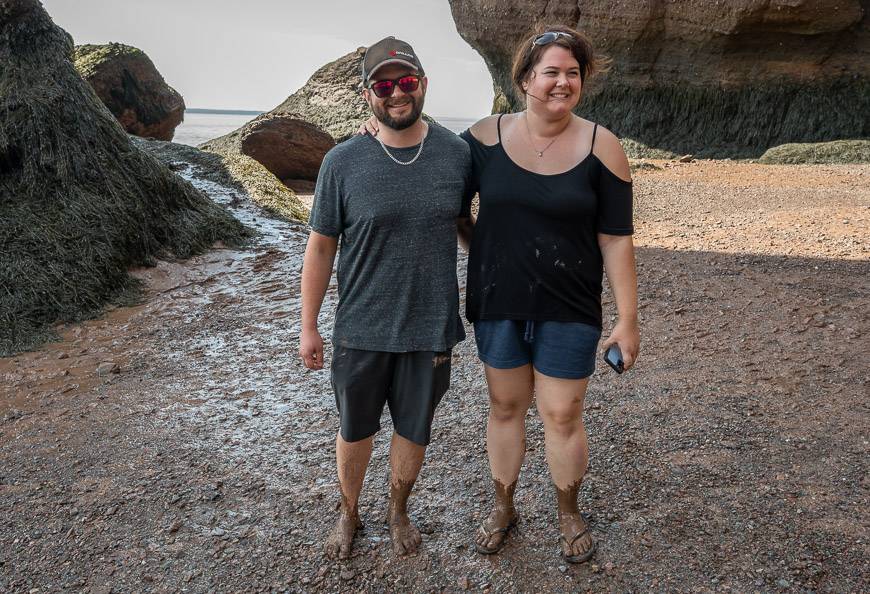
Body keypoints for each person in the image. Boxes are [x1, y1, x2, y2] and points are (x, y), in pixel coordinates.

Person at [459, 25, 639, 563]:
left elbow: (615, 238)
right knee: (505, 405)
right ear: (524, 79)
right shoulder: (480, 140)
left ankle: (568, 510)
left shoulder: (602, 146)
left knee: (562, 414)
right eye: (551, 72)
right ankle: (504, 504)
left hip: (570, 305)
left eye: (573, 74)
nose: (562, 83)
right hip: (499, 301)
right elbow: (443, 200)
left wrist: (627, 318)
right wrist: (485, 247)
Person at [299, 36, 473, 560]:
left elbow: (467, 224)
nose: (396, 93)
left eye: (406, 82)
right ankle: (349, 512)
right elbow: (321, 246)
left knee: (414, 428)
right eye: (384, 85)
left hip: (431, 326)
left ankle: (398, 508)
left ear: (423, 84)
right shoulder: (342, 160)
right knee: (355, 430)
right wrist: (308, 325)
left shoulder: (457, 154)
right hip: (361, 326)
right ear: (367, 94)